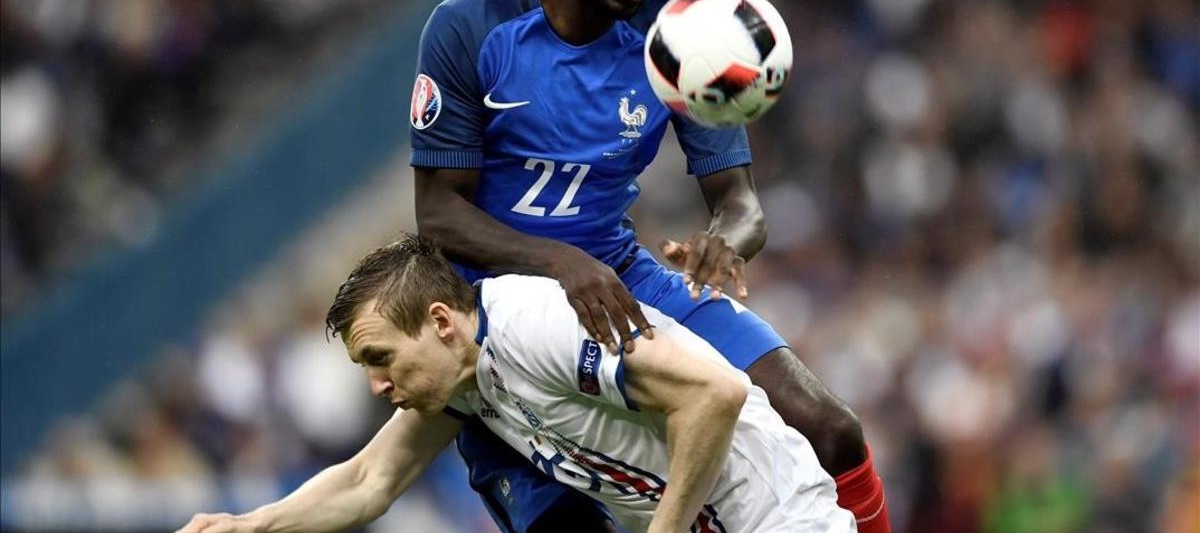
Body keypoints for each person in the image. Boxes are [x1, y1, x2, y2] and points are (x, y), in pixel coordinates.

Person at [409, 0, 890, 531]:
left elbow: (741, 201)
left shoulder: (682, 36)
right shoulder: (470, 26)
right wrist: (557, 260)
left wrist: (727, 240)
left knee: (830, 429)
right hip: (490, 304)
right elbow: (437, 213)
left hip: (621, 279)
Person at [177, 235, 856, 533]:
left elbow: (716, 392)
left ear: (441, 321)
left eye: (382, 357)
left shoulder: (537, 323)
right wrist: (250, 524)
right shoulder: (461, 380)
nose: (379, 384)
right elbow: (365, 482)